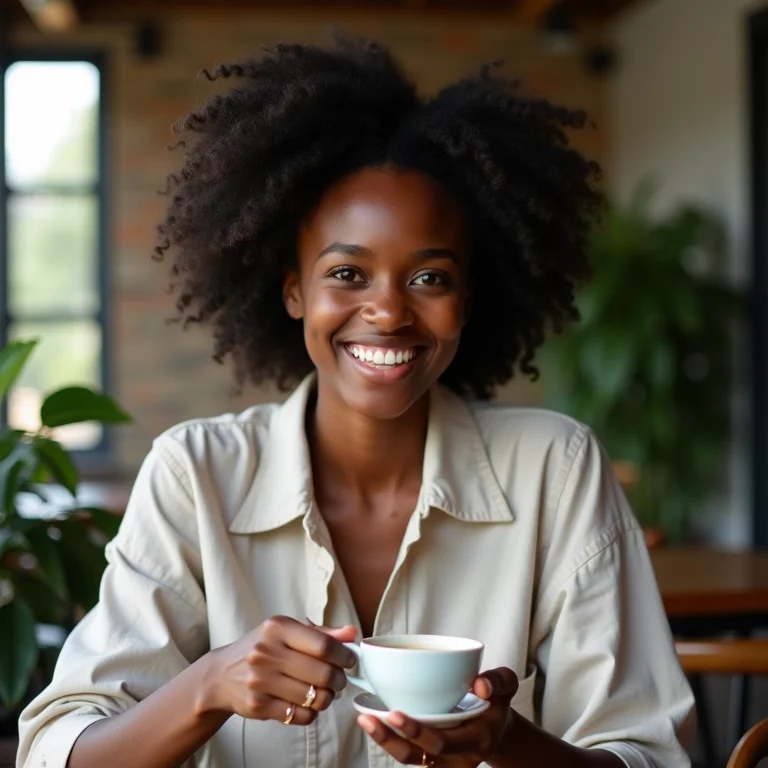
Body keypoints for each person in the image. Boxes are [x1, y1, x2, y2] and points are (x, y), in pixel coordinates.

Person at [17, 35, 694, 768]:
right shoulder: (197, 473)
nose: (388, 312)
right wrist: (207, 685)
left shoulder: (554, 469)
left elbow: (647, 756)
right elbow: (58, 751)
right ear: (293, 289)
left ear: (468, 300)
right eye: (348, 273)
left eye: (430, 279)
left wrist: (506, 740)